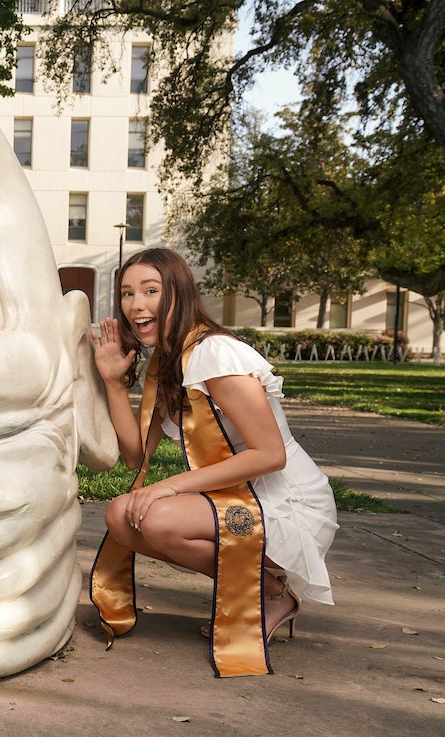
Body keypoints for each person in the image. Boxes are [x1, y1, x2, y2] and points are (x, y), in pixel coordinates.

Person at [89, 247, 337, 675]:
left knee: (157, 518)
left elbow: (270, 454)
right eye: (127, 294)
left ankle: (271, 593)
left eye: (151, 290)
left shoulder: (216, 353)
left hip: (286, 503)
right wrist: (113, 383)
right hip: (237, 496)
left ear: (179, 293)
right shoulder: (168, 363)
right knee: (120, 516)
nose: (136, 305)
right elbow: (133, 457)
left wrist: (170, 486)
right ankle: (268, 589)